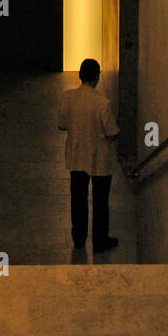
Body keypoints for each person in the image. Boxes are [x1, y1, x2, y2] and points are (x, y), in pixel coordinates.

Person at [57, 58, 120, 252]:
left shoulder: (67, 98)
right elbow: (112, 132)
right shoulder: (103, 103)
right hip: (100, 159)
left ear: (80, 75)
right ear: (97, 77)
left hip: (76, 157)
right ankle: (100, 241)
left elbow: (62, 125)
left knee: (78, 199)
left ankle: (78, 238)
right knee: (100, 202)